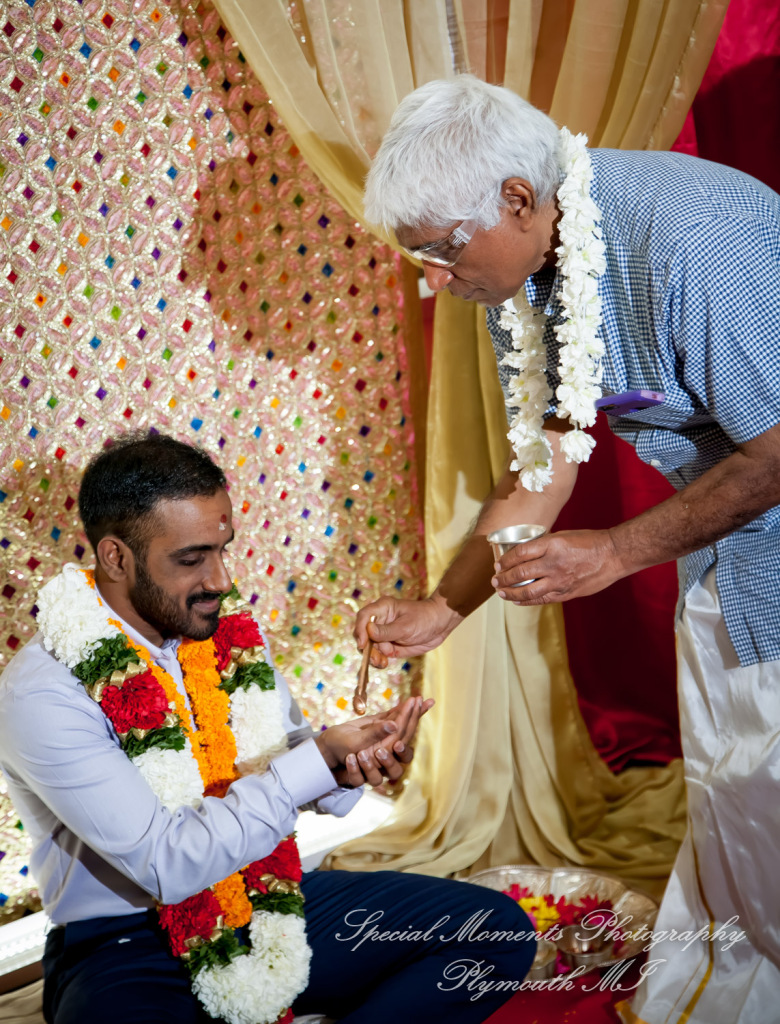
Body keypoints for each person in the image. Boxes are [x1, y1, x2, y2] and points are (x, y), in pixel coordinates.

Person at [354, 75, 780, 1024]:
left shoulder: (692, 236)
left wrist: (621, 552)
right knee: (738, 816)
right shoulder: (540, 273)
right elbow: (544, 465)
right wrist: (442, 608)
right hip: (727, 565)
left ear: (515, 199)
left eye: (437, 250)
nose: (432, 280)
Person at [0, 432, 535, 1024]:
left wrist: (343, 764)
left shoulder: (219, 633)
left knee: (498, 933)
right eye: (191, 558)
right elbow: (165, 866)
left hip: (264, 898)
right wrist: (311, 764)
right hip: (128, 940)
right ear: (116, 557)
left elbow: (285, 759)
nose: (220, 579)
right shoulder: (43, 692)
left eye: (223, 549)